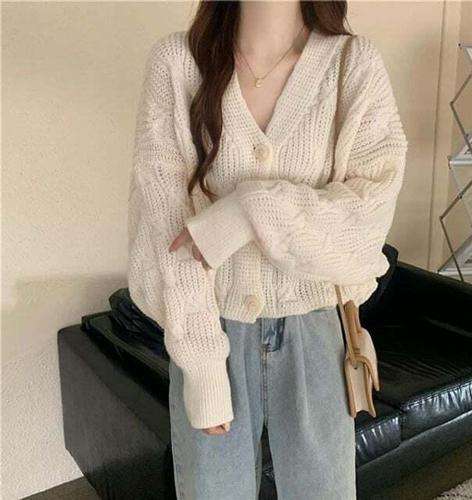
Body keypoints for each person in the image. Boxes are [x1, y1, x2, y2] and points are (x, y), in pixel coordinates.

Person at [127, 0, 408, 498]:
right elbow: (163, 230)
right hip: (209, 325)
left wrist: (245, 211)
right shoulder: (178, 63)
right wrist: (202, 366)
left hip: (317, 335)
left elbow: (366, 221)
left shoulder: (352, 65)